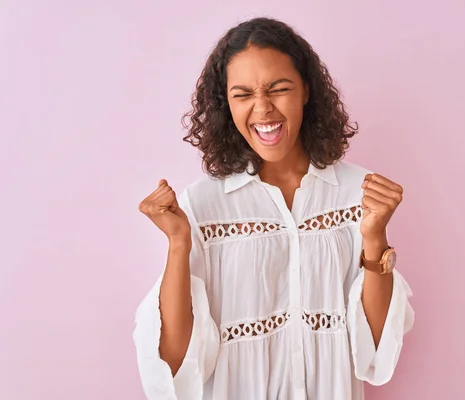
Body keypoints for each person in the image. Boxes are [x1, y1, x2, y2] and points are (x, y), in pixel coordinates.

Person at [133, 17, 415, 400]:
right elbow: (174, 363)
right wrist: (179, 243)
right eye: (242, 94)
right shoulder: (201, 204)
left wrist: (374, 239)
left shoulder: (358, 193)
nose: (262, 109)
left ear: (305, 92)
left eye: (278, 89)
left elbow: (374, 356)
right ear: (225, 104)